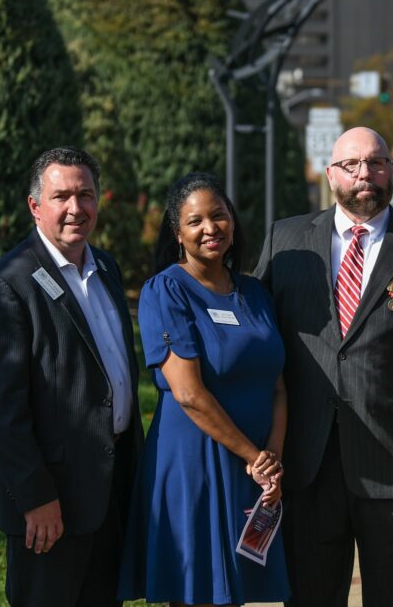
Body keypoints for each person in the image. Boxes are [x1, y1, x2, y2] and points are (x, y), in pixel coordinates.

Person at [253, 127, 393, 606]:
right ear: (330, 174)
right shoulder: (286, 240)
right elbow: (256, 339)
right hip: (307, 462)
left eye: (376, 163)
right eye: (352, 165)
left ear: (392, 172)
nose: (365, 175)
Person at [0, 147, 143, 606]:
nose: (75, 208)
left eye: (85, 194)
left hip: (109, 492)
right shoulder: (8, 284)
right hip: (50, 505)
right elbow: (1, 409)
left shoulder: (105, 268)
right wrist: (34, 497)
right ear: (35, 206)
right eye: (61, 196)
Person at [118, 173, 290, 605]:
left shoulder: (255, 293)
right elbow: (189, 394)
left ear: (233, 221)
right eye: (195, 221)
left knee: (238, 591)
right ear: (177, 233)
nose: (210, 228)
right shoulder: (166, 291)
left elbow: (279, 386)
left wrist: (272, 458)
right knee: (198, 593)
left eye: (219, 216)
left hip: (253, 468)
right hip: (195, 463)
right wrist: (255, 457)